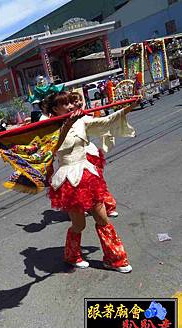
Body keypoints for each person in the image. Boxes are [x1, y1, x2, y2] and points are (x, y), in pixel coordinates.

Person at [44, 91, 136, 273]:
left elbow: (106, 122)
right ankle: (71, 256)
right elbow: (52, 148)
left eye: (71, 102)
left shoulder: (80, 120)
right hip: (69, 180)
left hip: (87, 173)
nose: (71, 106)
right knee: (79, 225)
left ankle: (115, 259)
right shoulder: (49, 128)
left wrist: (130, 107)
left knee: (103, 219)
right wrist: (66, 124)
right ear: (55, 109)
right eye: (66, 103)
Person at [69, 91, 118, 217]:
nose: (79, 103)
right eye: (75, 101)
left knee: (98, 182)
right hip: (73, 160)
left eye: (80, 100)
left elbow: (103, 121)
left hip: (89, 155)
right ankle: (84, 207)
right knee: (78, 185)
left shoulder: (84, 118)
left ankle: (109, 206)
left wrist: (128, 108)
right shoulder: (63, 122)